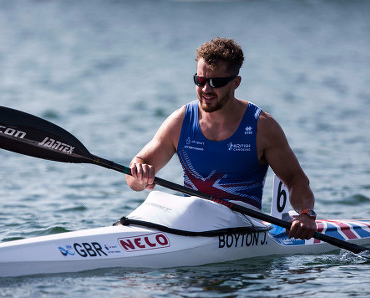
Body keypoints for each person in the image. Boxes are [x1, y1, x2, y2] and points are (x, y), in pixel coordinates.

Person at [126, 38, 316, 240]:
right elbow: (134, 178)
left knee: (197, 207)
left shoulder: (262, 127)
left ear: (236, 83)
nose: (206, 89)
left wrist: (306, 214)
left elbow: (296, 180)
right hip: (190, 220)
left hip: (243, 223)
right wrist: (139, 175)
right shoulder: (180, 122)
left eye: (216, 82)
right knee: (157, 200)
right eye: (200, 80)